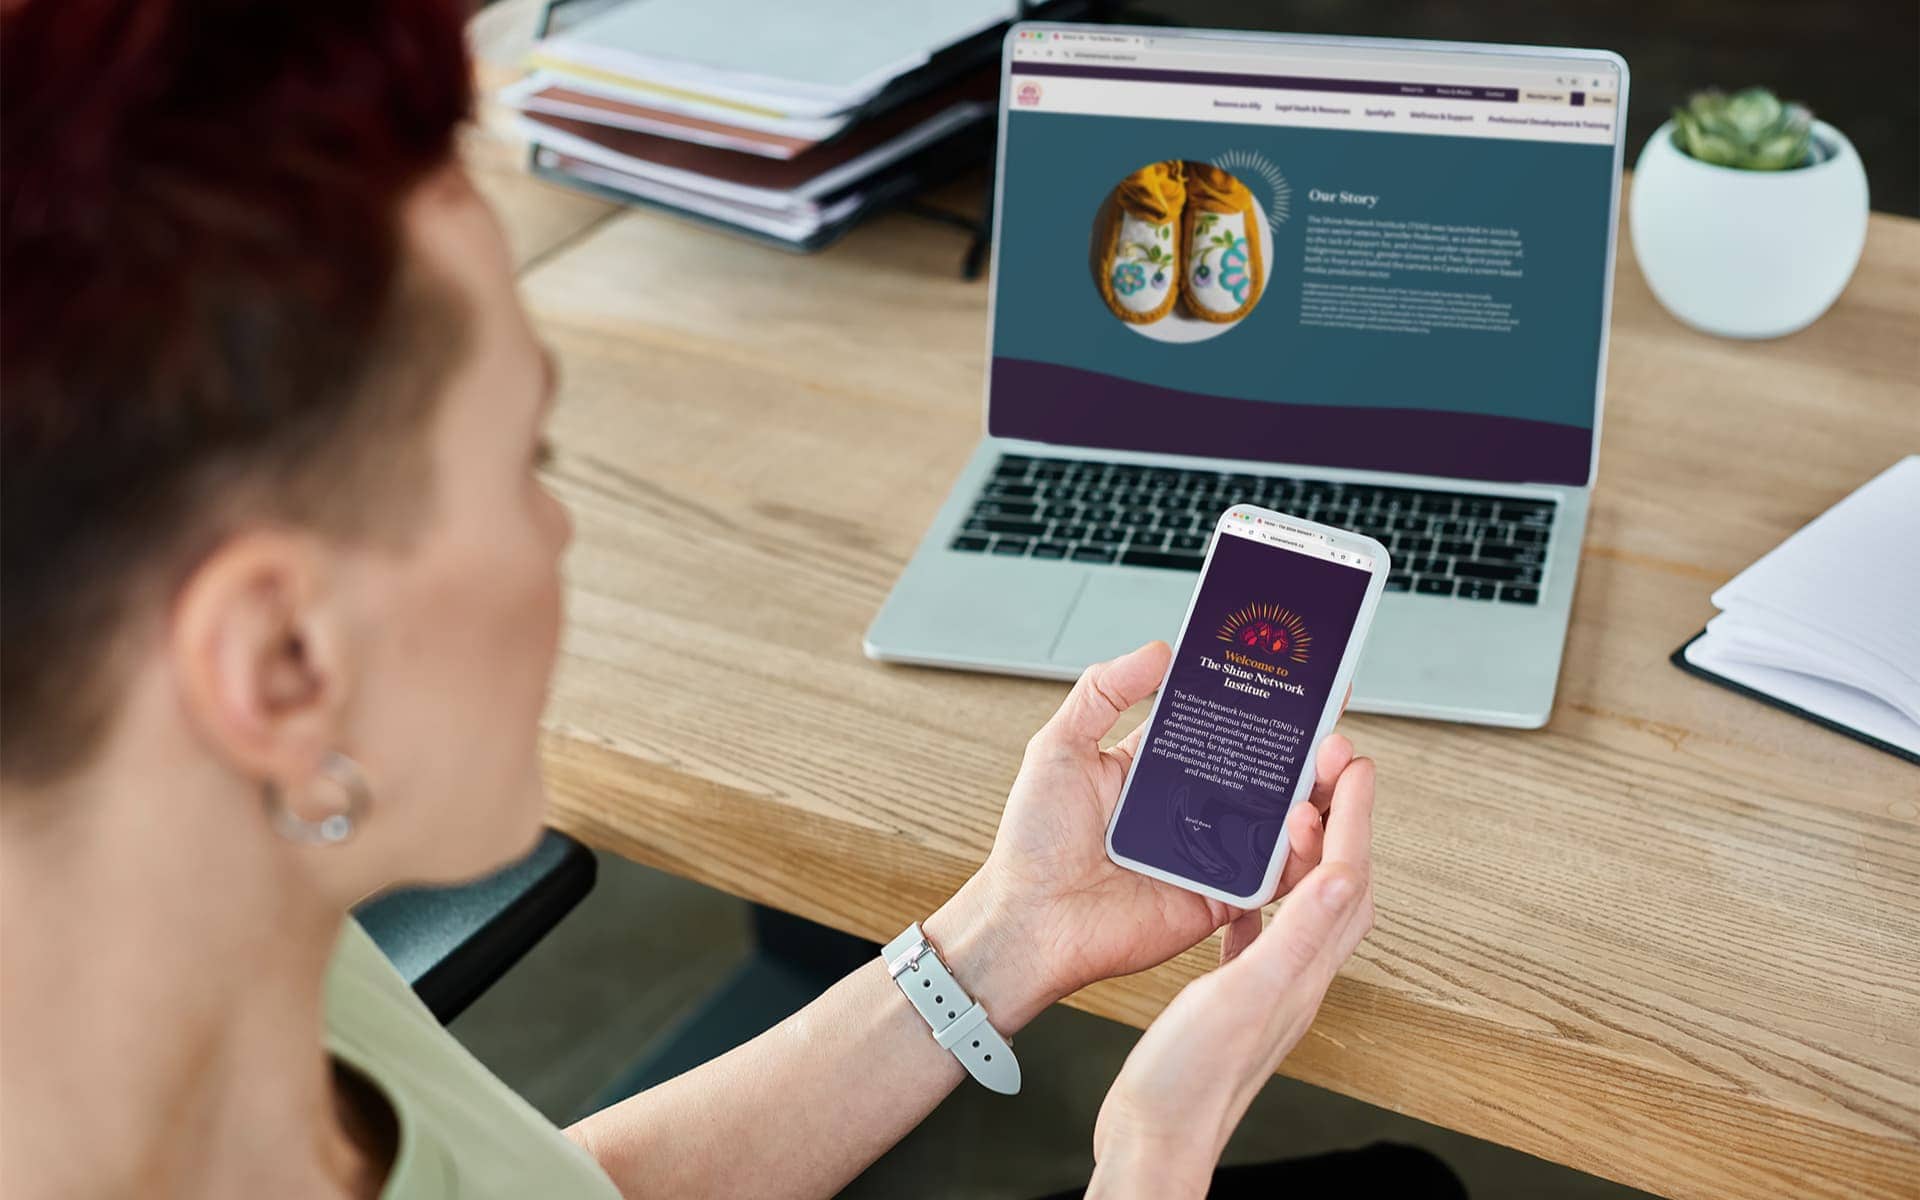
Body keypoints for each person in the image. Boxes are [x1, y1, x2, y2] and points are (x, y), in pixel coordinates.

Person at [0, 2, 1391, 1197]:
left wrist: (1006, 934)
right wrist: (1155, 1150)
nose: (558, 531)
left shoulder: (198, 907)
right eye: (521, 464)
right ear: (280, 664)